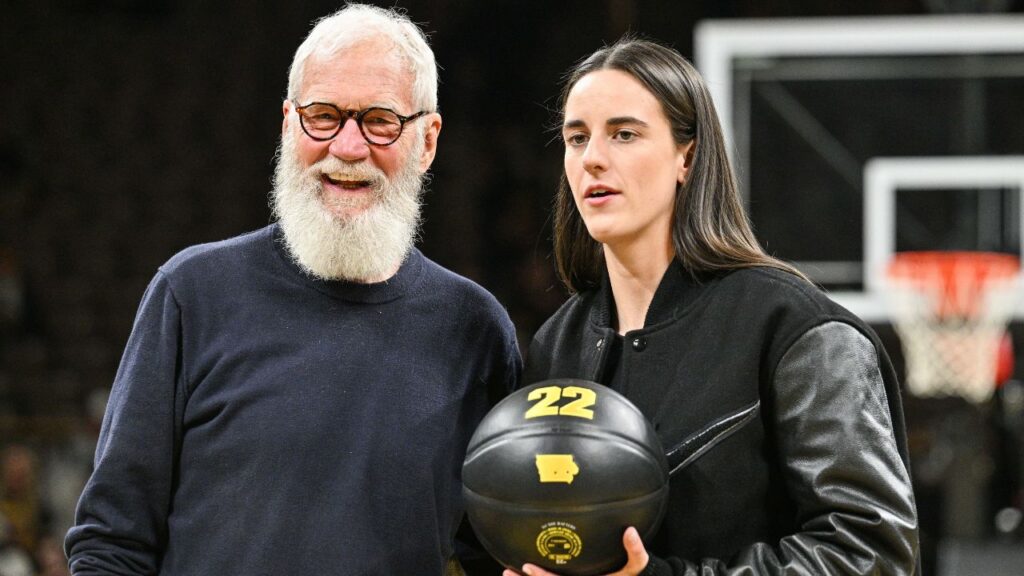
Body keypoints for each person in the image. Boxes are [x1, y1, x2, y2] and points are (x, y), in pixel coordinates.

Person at [65, 5, 520, 575]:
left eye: (380, 120)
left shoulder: (476, 330)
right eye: (323, 116)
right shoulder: (192, 294)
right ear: (288, 124)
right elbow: (111, 545)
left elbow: (494, 555)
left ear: (427, 141)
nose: (348, 147)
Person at [514, 38, 919, 575]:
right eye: (577, 138)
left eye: (624, 134)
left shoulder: (794, 328)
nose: (593, 158)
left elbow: (872, 554)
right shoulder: (557, 343)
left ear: (688, 155)